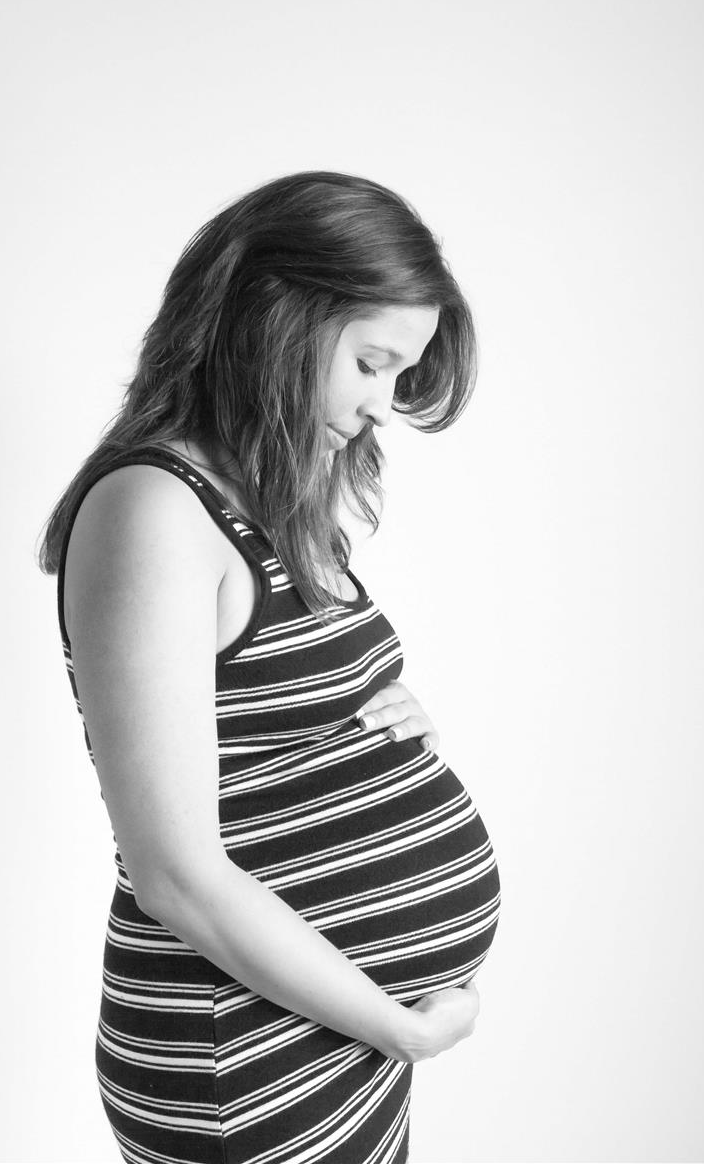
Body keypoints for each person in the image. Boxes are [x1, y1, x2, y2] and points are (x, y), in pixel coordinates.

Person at [37, 170, 501, 1164]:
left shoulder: (263, 499)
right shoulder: (154, 512)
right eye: (372, 364)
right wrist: (400, 1027)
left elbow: (265, 715)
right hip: (242, 1057)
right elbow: (175, 875)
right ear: (278, 318)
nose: (383, 405)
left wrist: (377, 727)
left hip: (324, 1033)